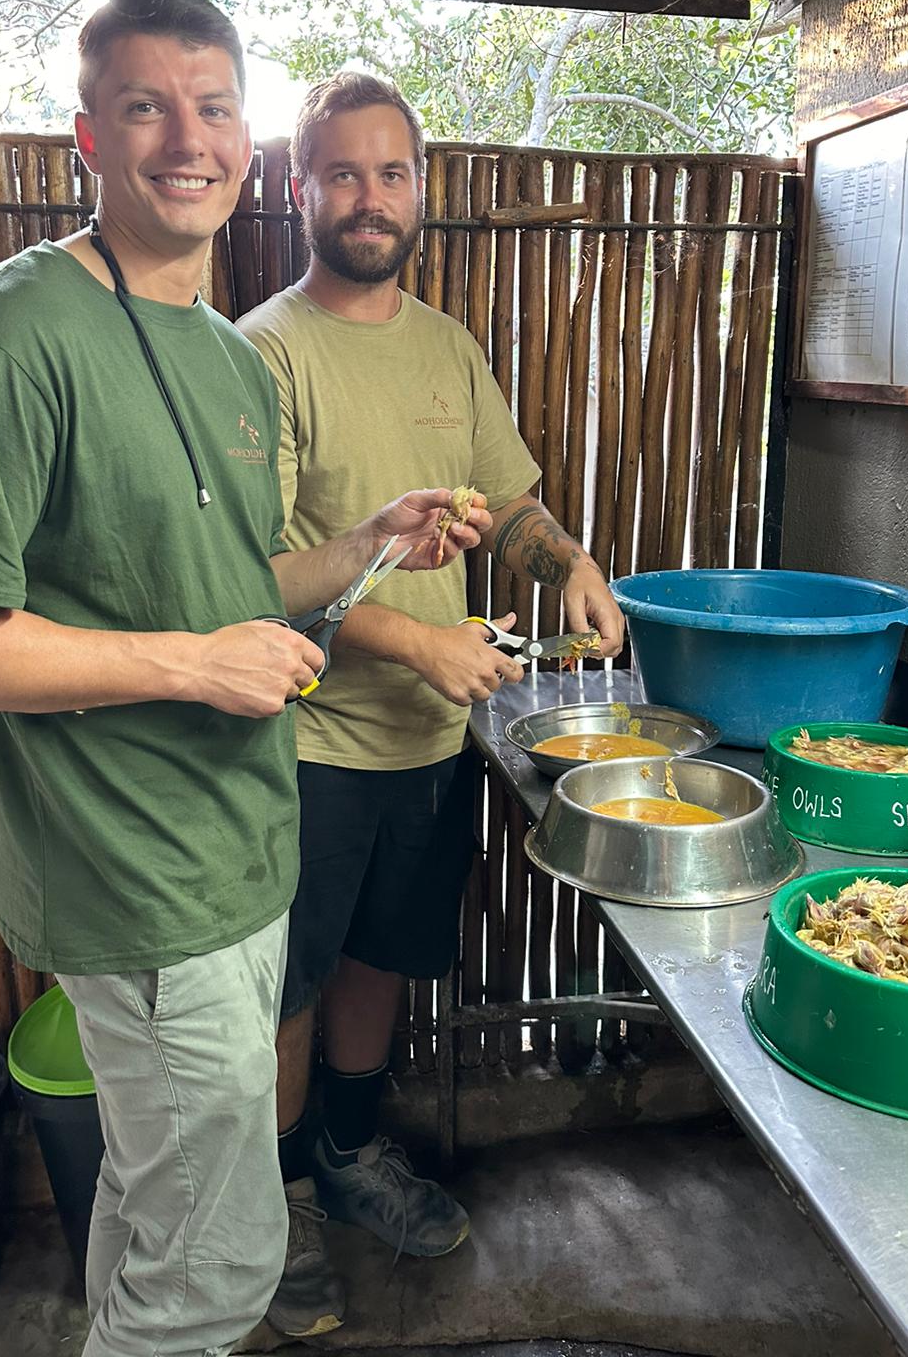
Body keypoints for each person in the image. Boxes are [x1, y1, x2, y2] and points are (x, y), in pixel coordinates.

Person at [0, 0, 487, 1357]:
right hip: (135, 885)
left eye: (211, 108)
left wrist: (365, 545)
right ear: (88, 133)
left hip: (245, 858)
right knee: (219, 1269)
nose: (183, 138)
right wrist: (189, 668)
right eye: (146, 105)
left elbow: (233, 590)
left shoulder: (224, 361)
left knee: (154, 1212)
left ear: (249, 146)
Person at [237, 72, 625, 1339]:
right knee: (288, 987)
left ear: (421, 189)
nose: (367, 196)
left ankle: (350, 1159)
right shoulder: (264, 352)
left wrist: (564, 557)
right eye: (340, 173)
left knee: (378, 960)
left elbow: (506, 505)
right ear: (299, 190)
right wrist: (408, 639)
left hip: (427, 743)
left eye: (389, 172)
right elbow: (241, 583)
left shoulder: (450, 346)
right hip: (304, 746)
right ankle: (281, 1199)